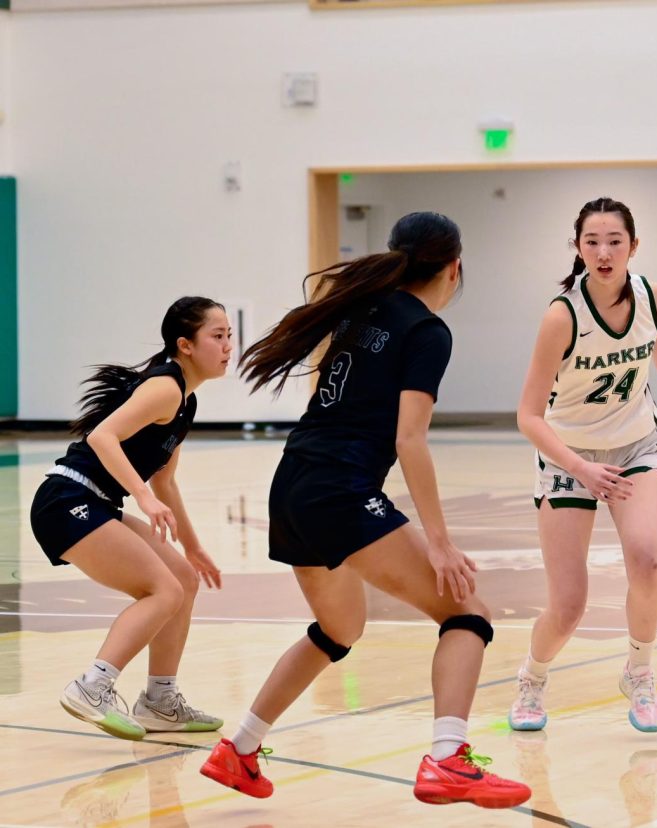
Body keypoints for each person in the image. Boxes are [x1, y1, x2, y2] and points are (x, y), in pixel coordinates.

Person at [199, 212, 530, 810]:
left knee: (339, 629)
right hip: (339, 488)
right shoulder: (428, 331)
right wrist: (440, 543)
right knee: (467, 613)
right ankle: (450, 759)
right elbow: (410, 440)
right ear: (455, 267)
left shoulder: (358, 310)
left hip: (292, 482)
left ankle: (239, 750)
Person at [509, 196, 657, 734]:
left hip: (636, 447)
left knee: (648, 562)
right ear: (577, 248)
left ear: (633, 246)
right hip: (567, 456)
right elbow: (528, 415)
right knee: (569, 606)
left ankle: (639, 674)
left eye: (614, 241)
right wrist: (581, 467)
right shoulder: (562, 315)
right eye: (591, 242)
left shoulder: (653, 297)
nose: (602, 251)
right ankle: (532, 678)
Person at [30, 296, 230, 740]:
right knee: (161, 590)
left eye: (229, 336)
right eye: (217, 336)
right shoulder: (165, 387)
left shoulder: (186, 403)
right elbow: (103, 436)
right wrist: (140, 496)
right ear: (186, 345)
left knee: (183, 578)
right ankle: (92, 686)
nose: (227, 346)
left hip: (96, 501)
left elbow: (166, 482)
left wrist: (193, 547)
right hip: (67, 499)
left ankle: (160, 701)